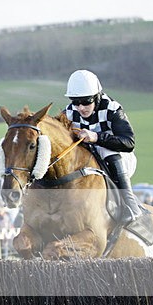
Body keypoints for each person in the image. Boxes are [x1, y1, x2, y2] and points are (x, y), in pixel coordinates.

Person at [64, 69, 141, 224]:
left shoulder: (112, 108)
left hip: (120, 157)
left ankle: (130, 205)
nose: (81, 107)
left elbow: (129, 143)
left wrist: (97, 137)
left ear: (97, 96)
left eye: (86, 101)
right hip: (90, 157)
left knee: (105, 150)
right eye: (75, 102)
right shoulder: (69, 112)